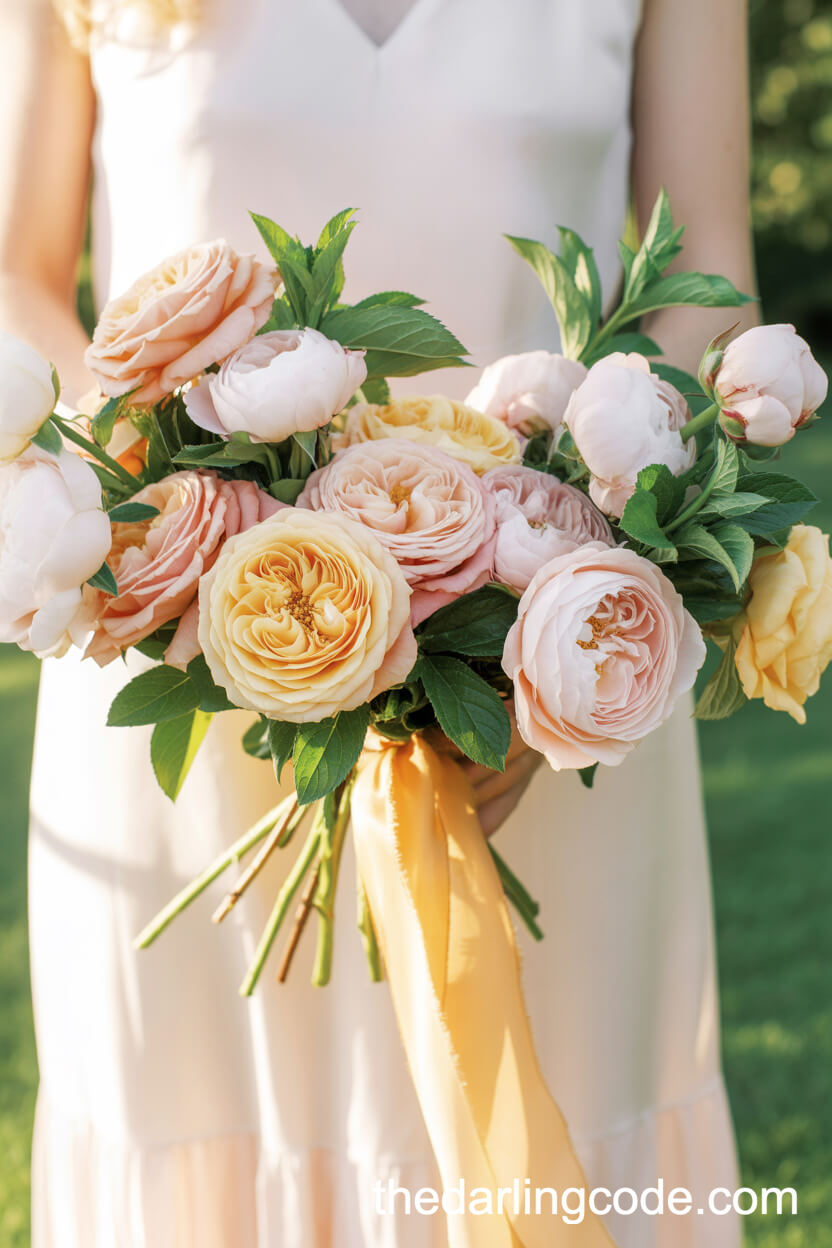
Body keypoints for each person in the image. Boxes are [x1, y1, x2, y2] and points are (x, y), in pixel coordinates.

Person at [0, 1, 756, 1244]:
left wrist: (541, 623)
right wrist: (193, 538)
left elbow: (708, 277)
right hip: (178, 646)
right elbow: (19, 278)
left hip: (554, 673)